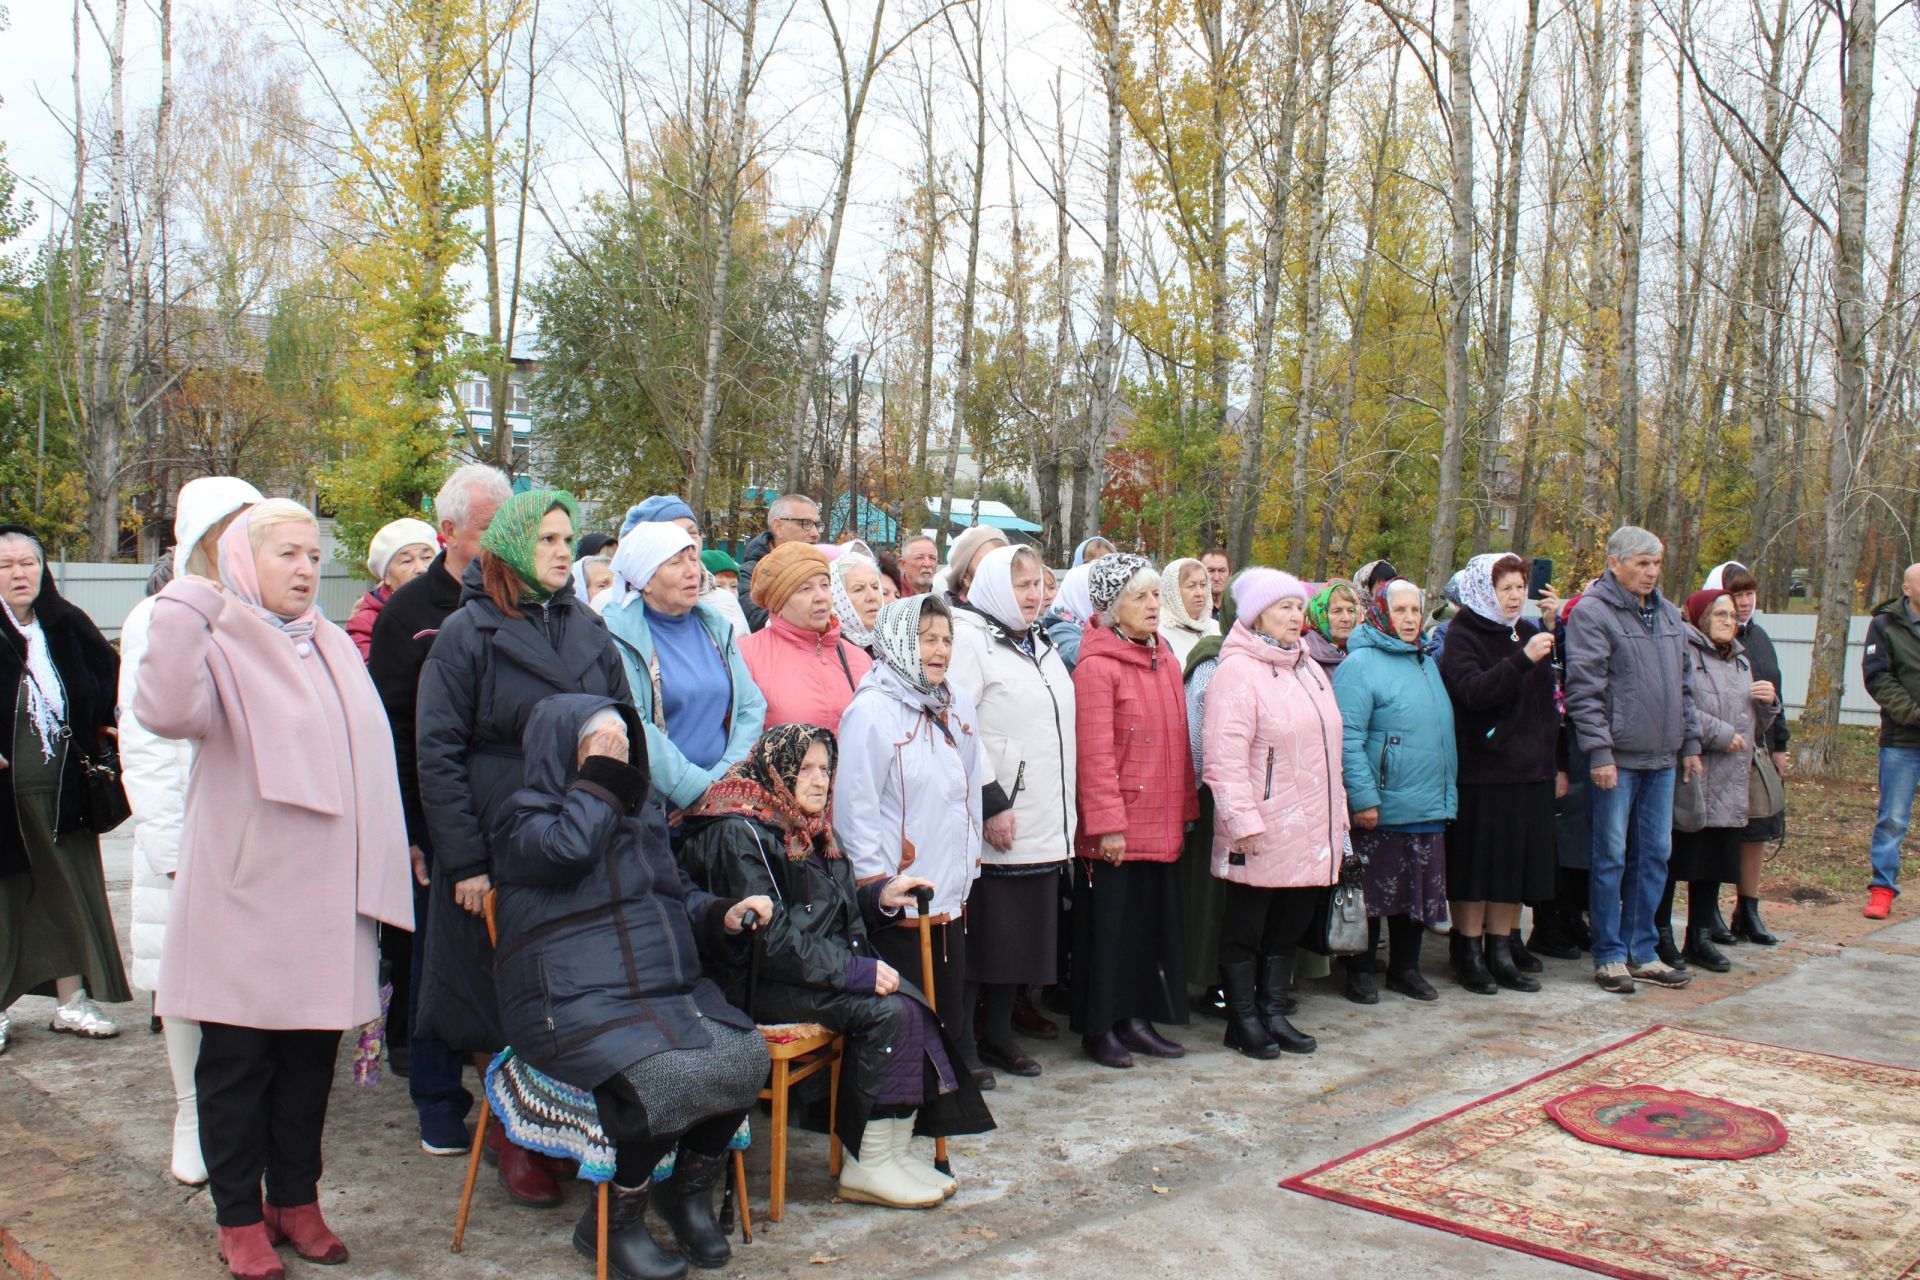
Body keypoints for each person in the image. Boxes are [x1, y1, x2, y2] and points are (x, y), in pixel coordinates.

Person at [134, 500, 414, 1280]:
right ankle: (238, 1217)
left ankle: (296, 1199)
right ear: (239, 562)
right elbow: (164, 712)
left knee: (305, 1063)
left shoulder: (327, 641)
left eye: (313, 553)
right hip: (245, 898)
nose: (304, 567)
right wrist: (188, 597)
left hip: (325, 902)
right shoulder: (214, 635)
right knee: (236, 1064)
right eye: (286, 553)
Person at [491, 695, 771, 1278]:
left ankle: (687, 1193)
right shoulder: (524, 815)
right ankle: (612, 1222)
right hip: (565, 1002)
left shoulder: (640, 815)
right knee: (662, 1076)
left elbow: (672, 893)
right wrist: (600, 780)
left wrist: (717, 912)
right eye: (601, 747)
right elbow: (570, 849)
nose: (619, 757)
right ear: (564, 752)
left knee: (745, 1054)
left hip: (656, 991)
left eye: (623, 745)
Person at [415, 488, 632, 1209]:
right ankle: (517, 1135)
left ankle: (566, 1120)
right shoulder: (466, 633)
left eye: (567, 538)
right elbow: (437, 755)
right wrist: (468, 862)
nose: (564, 551)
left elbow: (623, 727)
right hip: (500, 833)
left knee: (568, 984)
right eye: (546, 539)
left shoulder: (589, 628)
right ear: (509, 547)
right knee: (502, 992)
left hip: (580, 832)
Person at [678, 723, 994, 1210]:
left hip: (799, 970)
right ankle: (866, 1162)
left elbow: (827, 911)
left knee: (909, 1003)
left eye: (826, 769)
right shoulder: (738, 830)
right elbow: (773, 937)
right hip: (750, 981)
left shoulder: (810, 829)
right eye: (805, 768)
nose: (819, 780)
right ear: (777, 769)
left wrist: (878, 899)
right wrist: (855, 972)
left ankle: (888, 1153)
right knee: (887, 1011)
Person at [117, 476, 263, 1186]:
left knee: (247, 981)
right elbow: (144, 742)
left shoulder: (261, 614)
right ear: (205, 532)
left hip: (256, 833)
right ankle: (190, 1112)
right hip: (187, 829)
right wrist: (173, 847)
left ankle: (244, 1110)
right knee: (185, 984)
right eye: (233, 523)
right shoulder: (160, 616)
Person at [366, 462, 510, 1157]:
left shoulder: (517, 606)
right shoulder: (410, 614)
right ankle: (436, 1096)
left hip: (504, 819)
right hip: (433, 818)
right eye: (490, 530)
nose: (502, 542)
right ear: (449, 532)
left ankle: (511, 1096)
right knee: (433, 963)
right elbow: (394, 729)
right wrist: (413, 830)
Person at [834, 595, 990, 1088]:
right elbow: (854, 805)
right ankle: (904, 1104)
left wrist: (971, 861)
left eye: (947, 639)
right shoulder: (872, 711)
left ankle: (939, 1091)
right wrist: (873, 880)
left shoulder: (956, 701)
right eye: (927, 639)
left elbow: (969, 789)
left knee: (948, 997)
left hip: (950, 882)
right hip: (899, 889)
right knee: (908, 1009)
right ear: (902, 642)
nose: (940, 650)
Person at [1201, 569, 1344, 1058]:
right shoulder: (1238, 670)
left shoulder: (1308, 667)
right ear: (1256, 613)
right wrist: (1242, 822)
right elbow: (1223, 759)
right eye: (1283, 606)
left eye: (1298, 606)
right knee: (1247, 929)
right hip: (1261, 828)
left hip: (1311, 827)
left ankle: (1273, 1011)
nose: (1294, 615)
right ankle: (1242, 1020)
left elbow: (1330, 754)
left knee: (1288, 926)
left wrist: (1337, 819)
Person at [947, 545, 1076, 1080]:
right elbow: (959, 725)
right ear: (995, 587)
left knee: (1018, 940)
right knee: (983, 945)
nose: (1033, 595)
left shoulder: (1036, 640)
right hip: (1000, 817)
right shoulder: (972, 641)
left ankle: (1000, 1034)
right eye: (1021, 585)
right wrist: (991, 801)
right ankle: (963, 1046)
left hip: (1043, 816)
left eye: (1039, 585)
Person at [0, 526, 130, 1056]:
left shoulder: (66, 623)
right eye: (5, 564)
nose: (18, 573)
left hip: (64, 789)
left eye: (27, 562)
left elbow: (112, 680)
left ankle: (73, 1000)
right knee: (5, 900)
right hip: (5, 790)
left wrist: (105, 724)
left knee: (71, 892)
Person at [1563, 526, 1702, 993]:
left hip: (1662, 757)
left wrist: (1691, 744)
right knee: (1609, 856)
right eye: (1643, 563)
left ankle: (1643, 951)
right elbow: (1585, 690)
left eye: (1657, 563)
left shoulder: (1667, 614)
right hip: (1617, 760)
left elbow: (1685, 686)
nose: (1651, 572)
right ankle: (1608, 955)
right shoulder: (1592, 613)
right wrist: (1599, 753)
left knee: (1655, 855)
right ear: (1615, 562)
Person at [1072, 554, 1196, 1069]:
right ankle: (1100, 1026)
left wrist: (1185, 808)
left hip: (1161, 822)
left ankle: (1137, 1019)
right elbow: (1094, 754)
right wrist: (1107, 827)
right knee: (1109, 931)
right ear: (1110, 608)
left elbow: (1179, 745)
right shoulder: (1097, 667)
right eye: (1139, 597)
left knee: (1147, 928)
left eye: (1153, 595)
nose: (1152, 605)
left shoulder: (1163, 657)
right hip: (1119, 829)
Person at [1437, 553, 1559, 995]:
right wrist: (1522, 659)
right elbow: (1472, 693)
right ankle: (1468, 950)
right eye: (1504, 588)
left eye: (1519, 587)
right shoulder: (1463, 634)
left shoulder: (1530, 631)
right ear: (1483, 591)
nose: (1514, 596)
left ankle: (1501, 949)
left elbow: (1547, 706)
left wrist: (1554, 763)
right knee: (1478, 868)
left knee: (1513, 868)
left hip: (1531, 771)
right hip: (1485, 771)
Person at [1333, 578, 1458, 1004]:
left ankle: (1406, 969)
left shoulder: (1425, 660)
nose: (1410, 618)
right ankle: (1361, 970)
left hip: (1425, 801)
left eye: (1415, 610)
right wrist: (1364, 796)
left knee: (1415, 890)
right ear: (1382, 612)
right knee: (1371, 892)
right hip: (1383, 803)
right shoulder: (1361, 664)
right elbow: (1347, 737)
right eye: (1401, 610)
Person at [600, 522, 766, 813]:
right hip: (659, 807)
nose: (692, 570)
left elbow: (750, 706)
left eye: (692, 558)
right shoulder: (620, 636)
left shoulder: (714, 627)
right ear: (646, 579)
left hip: (722, 802)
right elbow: (635, 722)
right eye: (675, 562)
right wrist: (695, 790)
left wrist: (724, 781)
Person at [1665, 589, 1779, 973]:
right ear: (1701, 618)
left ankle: (1699, 936)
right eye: (1721, 615)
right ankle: (1660, 933)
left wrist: (1769, 704)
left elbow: (1756, 726)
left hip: (1730, 779)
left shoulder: (1741, 661)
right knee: (1676, 858)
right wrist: (1719, 734)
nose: (1730, 621)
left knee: (1713, 860)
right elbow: (1680, 705)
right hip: (1693, 772)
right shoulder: (1685, 651)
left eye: (1733, 615)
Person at [1702, 561, 1789, 942]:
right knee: (1718, 834)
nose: (1745, 603)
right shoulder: (1707, 640)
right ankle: (1709, 913)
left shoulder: (1760, 638)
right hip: (1718, 748)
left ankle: (1748, 909)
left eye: (1750, 594)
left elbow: (1776, 690)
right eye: (1736, 595)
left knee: (1755, 831)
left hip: (1757, 746)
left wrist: (1780, 745)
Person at [737, 542, 873, 734]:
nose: (820, 597)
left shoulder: (859, 659)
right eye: (805, 589)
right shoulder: (746, 656)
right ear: (779, 603)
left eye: (825, 585)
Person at [1864, 562, 1920, 920]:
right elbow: (1877, 677)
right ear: (1907, 589)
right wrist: (1914, 713)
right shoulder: (1884, 625)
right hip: (1902, 739)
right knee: (1894, 818)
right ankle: (1882, 888)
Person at [622, 495, 748, 637]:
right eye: (675, 535)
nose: (686, 541)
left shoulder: (725, 601)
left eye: (692, 532)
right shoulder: (619, 617)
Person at [344, 517, 439, 662]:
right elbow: (372, 678)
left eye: (427, 557)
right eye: (407, 561)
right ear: (386, 577)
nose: (421, 568)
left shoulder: (455, 607)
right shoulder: (366, 624)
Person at [738, 494, 823, 630]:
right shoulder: (750, 574)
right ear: (778, 527)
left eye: (817, 525)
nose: (815, 533)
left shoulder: (826, 569)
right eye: (805, 524)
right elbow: (758, 620)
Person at [1157, 557, 1220, 669]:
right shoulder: (1160, 634)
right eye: (1191, 586)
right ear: (1173, 592)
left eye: (1203, 585)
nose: (1199, 593)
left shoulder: (1216, 628)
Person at [831, 549, 886, 657]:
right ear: (837, 599)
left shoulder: (890, 647)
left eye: (875, 587)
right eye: (858, 589)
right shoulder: (827, 651)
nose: (872, 597)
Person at [1041, 563, 1096, 670]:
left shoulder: (1082, 622)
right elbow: (1073, 656)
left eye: (1052, 588)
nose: (1048, 596)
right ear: (1079, 595)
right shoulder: (1059, 628)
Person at [1303, 580, 1362, 677]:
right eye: (1337, 611)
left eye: (1351, 611)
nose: (1346, 618)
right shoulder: (1305, 656)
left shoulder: (1360, 649)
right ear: (1319, 615)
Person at [943, 525, 1009, 606]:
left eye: (1004, 562)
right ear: (966, 578)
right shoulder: (961, 617)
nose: (997, 569)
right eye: (987, 563)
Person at [1200, 549, 1232, 618]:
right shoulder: (1191, 613)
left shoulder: (1239, 611)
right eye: (1211, 571)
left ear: (1230, 575)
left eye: (1222, 571)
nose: (1216, 578)